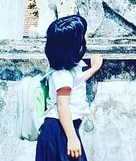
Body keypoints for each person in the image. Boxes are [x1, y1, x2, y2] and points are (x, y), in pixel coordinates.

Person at [36, 15, 104, 161]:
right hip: (60, 129)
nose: (86, 38)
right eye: (83, 35)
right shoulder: (63, 74)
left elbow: (76, 82)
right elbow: (62, 105)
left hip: (60, 128)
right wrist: (72, 139)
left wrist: (93, 69)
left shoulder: (65, 69)